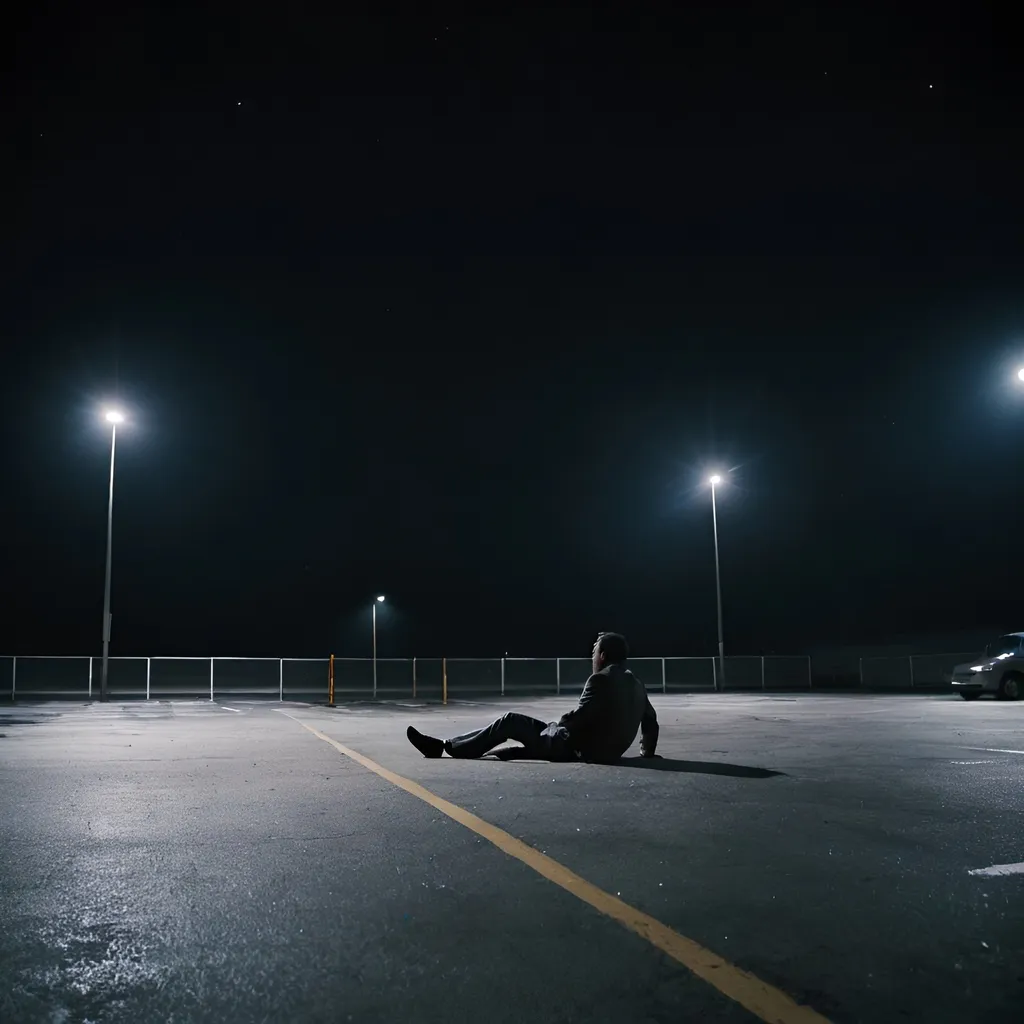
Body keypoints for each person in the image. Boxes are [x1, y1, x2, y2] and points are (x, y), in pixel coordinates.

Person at [406, 632, 659, 762]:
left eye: (594, 652)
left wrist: (554, 728)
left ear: (602, 655)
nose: (592, 657)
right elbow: (651, 723)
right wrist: (646, 753)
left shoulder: (600, 679)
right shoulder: (637, 683)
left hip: (577, 749)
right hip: (601, 752)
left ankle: (444, 748)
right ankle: (452, 745)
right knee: (514, 746)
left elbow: (577, 719)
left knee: (509, 721)